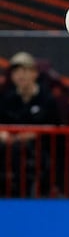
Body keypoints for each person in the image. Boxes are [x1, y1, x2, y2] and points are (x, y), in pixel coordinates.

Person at [0, 51, 62, 197]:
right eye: (16, 72)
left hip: (40, 152)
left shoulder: (47, 98)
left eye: (25, 71)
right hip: (8, 149)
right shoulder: (6, 98)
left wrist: (30, 135)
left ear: (34, 73)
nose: (21, 75)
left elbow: (55, 126)